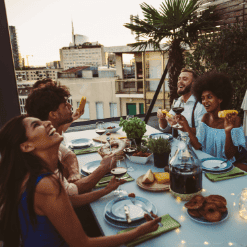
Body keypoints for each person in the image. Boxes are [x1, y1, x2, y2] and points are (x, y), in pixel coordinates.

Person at [0, 115, 161, 247]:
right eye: (36, 125)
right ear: (26, 146)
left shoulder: (30, 176)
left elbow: (68, 201)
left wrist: (106, 190)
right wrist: (139, 231)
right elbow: (82, 244)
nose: (47, 122)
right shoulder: (46, 183)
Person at [25, 83, 121, 204]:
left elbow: (69, 154)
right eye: (65, 105)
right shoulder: (43, 154)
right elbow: (70, 196)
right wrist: (103, 168)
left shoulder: (49, 140)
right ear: (53, 114)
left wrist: (74, 173)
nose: (70, 106)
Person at [176, 71, 246, 163]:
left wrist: (228, 131)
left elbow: (230, 155)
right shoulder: (205, 118)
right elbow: (197, 146)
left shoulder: (234, 120)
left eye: (209, 97)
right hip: (206, 163)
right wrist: (185, 125)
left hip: (226, 167)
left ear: (220, 99)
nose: (205, 101)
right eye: (203, 98)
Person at [157, 68, 206, 135]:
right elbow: (165, 127)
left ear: (193, 84)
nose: (180, 81)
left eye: (185, 79)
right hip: (180, 143)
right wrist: (162, 118)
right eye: (179, 79)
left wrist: (180, 127)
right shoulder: (178, 102)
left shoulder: (201, 105)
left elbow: (203, 132)